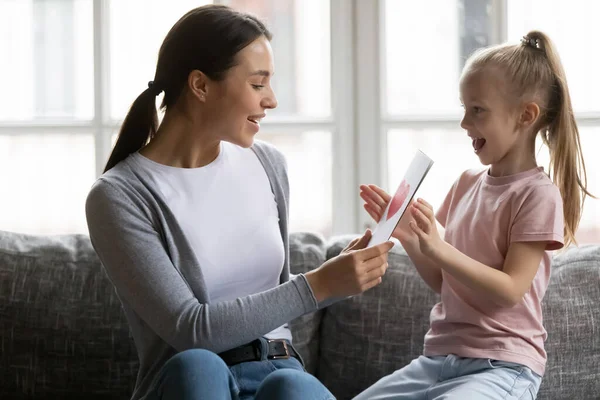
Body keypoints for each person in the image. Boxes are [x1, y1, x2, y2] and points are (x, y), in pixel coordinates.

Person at [85, 5, 393, 400]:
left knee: (291, 386)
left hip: (279, 369)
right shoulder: (119, 196)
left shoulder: (268, 165)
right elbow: (190, 329)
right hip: (193, 384)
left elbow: (278, 296)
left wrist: (339, 278)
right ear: (200, 85)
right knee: (199, 364)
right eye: (257, 84)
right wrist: (317, 284)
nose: (272, 100)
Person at [356, 31, 593, 399]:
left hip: (502, 367)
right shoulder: (467, 183)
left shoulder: (537, 195)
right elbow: (443, 279)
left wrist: (438, 247)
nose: (465, 123)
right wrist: (412, 238)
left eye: (477, 110)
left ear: (525, 116)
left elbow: (511, 290)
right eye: (464, 108)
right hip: (438, 360)